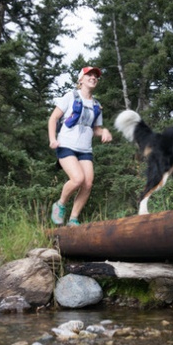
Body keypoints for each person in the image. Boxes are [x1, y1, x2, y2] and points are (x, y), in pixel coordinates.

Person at [47, 66, 113, 226]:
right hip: (66, 145)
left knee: (88, 183)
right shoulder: (70, 96)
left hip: (85, 149)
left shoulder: (97, 105)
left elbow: (95, 128)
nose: (93, 77)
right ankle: (60, 205)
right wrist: (52, 139)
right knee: (77, 179)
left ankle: (73, 219)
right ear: (81, 79)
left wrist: (104, 131)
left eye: (95, 76)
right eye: (89, 75)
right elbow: (53, 118)